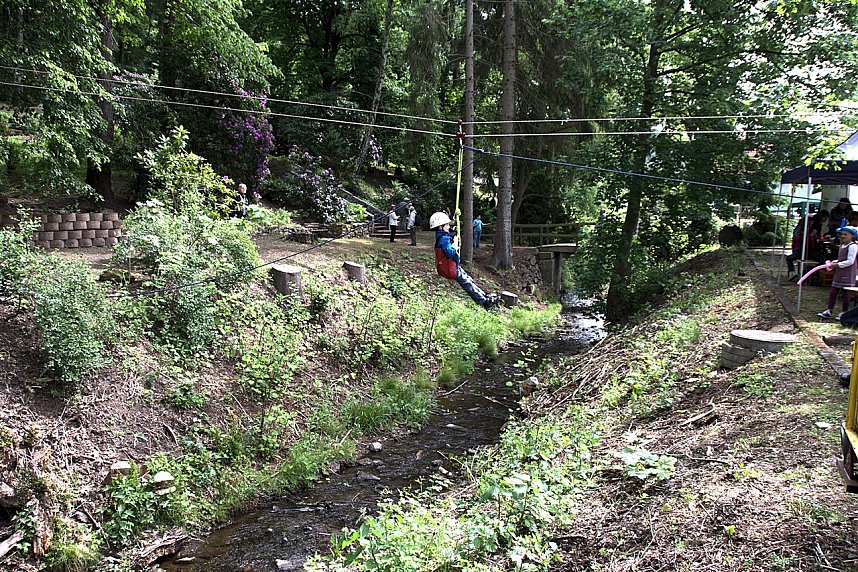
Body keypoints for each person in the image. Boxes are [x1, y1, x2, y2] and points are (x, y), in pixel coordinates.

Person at [430, 211, 500, 310]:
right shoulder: (444, 239)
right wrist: (454, 245)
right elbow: (449, 253)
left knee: (468, 280)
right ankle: (484, 301)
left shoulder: (442, 237)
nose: (448, 227)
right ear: (441, 227)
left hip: (452, 266)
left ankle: (484, 296)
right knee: (467, 283)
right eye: (446, 225)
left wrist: (453, 236)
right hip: (450, 268)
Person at [818, 225, 858, 319]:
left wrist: (837, 264)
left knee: (846, 293)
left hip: (848, 273)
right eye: (842, 234)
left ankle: (844, 312)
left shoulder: (852, 246)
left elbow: (850, 261)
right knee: (833, 291)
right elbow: (841, 258)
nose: (843, 236)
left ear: (852, 236)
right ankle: (829, 310)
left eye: (845, 234)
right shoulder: (842, 245)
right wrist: (835, 262)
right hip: (840, 272)